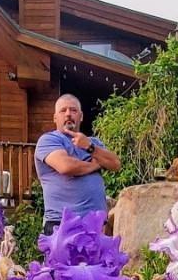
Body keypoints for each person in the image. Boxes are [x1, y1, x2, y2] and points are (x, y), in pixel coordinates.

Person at [34, 94, 122, 233]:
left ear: (81, 116)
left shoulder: (93, 143)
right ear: (55, 118)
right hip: (61, 225)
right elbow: (66, 166)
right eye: (63, 110)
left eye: (73, 110)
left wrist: (89, 146)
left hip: (97, 225)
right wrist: (95, 164)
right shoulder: (48, 140)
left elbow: (115, 164)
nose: (68, 114)